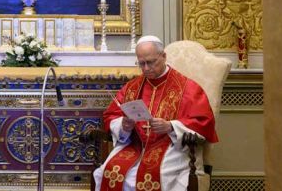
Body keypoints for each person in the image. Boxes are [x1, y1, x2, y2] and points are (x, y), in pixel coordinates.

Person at [93, 36, 217, 191]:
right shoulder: (132, 87)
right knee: (108, 171)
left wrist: (170, 126)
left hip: (170, 150)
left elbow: (203, 123)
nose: (146, 68)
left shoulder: (187, 88)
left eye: (150, 62)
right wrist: (124, 125)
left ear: (163, 56)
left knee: (157, 175)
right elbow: (111, 115)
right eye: (141, 63)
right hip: (135, 147)